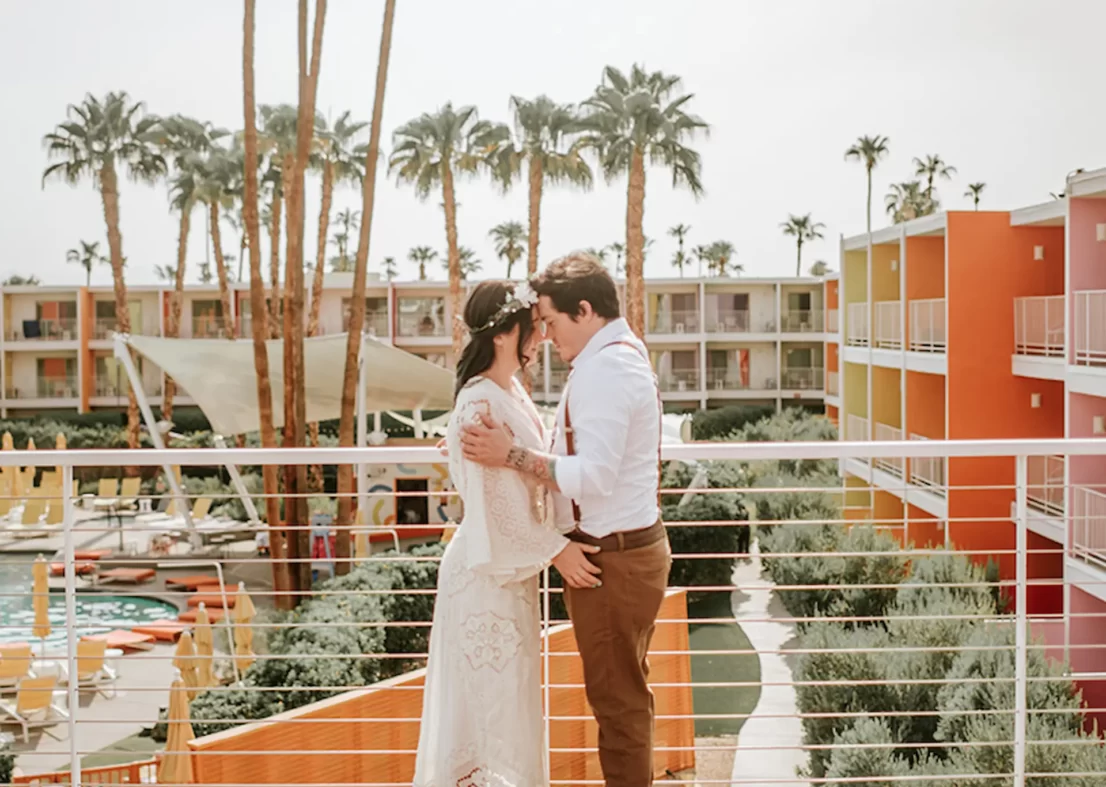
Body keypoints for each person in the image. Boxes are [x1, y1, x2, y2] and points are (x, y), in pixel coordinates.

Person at [460, 252, 670, 787]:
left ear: (584, 310)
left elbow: (595, 475)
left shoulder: (606, 369)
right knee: (623, 697)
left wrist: (510, 456)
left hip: (612, 560)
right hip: (621, 551)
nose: (547, 337)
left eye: (551, 323)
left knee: (617, 706)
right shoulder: (617, 358)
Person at [413, 280, 601, 787]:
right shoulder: (479, 405)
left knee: (509, 708)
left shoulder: (505, 390)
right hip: (484, 576)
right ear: (502, 335)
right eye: (531, 328)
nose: (539, 337)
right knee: (491, 717)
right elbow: (497, 506)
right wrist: (558, 550)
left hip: (505, 575)